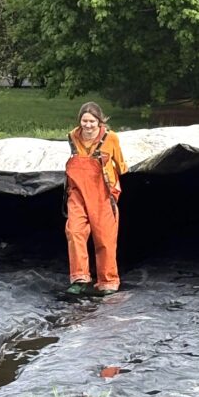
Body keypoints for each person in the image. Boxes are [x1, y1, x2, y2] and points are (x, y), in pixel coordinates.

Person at [64, 101, 127, 297]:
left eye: (92, 121)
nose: (88, 125)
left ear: (100, 121)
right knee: (74, 231)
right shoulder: (72, 137)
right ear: (79, 121)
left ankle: (108, 280)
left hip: (102, 193)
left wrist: (114, 188)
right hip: (77, 193)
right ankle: (80, 278)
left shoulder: (111, 138)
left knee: (105, 237)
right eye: (85, 121)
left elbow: (122, 166)